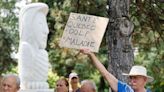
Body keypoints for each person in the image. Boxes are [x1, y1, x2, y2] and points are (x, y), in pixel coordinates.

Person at [80, 49, 153, 92]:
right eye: (131, 77)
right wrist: (91, 54)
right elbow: (106, 74)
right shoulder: (125, 89)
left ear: (144, 80)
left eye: (136, 78)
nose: (132, 80)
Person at [18, 3, 50, 89]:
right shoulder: (25, 47)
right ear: (29, 26)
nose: (46, 31)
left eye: (45, 25)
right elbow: (25, 77)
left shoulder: (43, 53)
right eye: (41, 24)